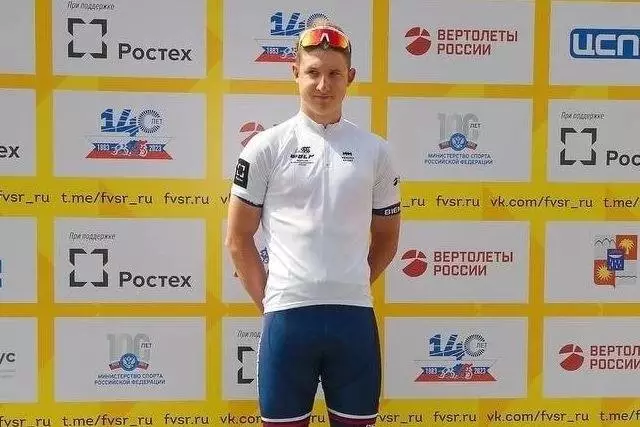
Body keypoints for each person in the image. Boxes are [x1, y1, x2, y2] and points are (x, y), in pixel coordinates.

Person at [225, 20, 400, 427]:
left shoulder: (376, 151)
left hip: (354, 319)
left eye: (334, 74)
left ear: (350, 77)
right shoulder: (265, 147)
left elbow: (388, 238)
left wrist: (351, 280)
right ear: (295, 73)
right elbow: (237, 238)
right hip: (287, 320)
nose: (323, 85)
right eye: (313, 72)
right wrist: (272, 301)